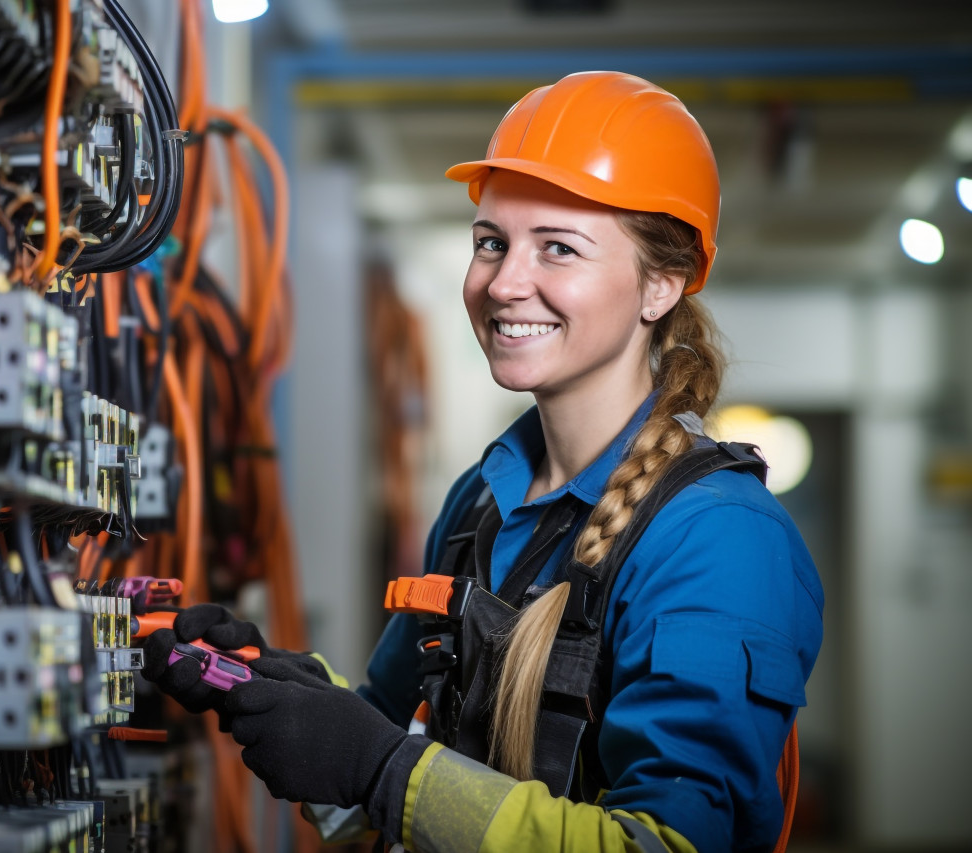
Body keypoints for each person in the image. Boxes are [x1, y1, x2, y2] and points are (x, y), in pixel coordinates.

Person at [142, 70, 824, 853]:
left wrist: (380, 766)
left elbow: (661, 844)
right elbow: (397, 746)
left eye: (558, 248)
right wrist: (275, 686)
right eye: (491, 243)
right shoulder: (481, 500)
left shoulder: (719, 539)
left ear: (660, 286)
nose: (503, 283)